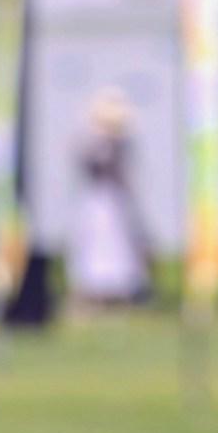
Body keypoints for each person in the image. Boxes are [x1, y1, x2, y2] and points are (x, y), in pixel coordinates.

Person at [67, 87, 154, 310]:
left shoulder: (122, 143)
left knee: (119, 245)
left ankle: (120, 291)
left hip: (115, 200)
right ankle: (95, 292)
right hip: (97, 200)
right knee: (96, 245)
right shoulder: (91, 141)